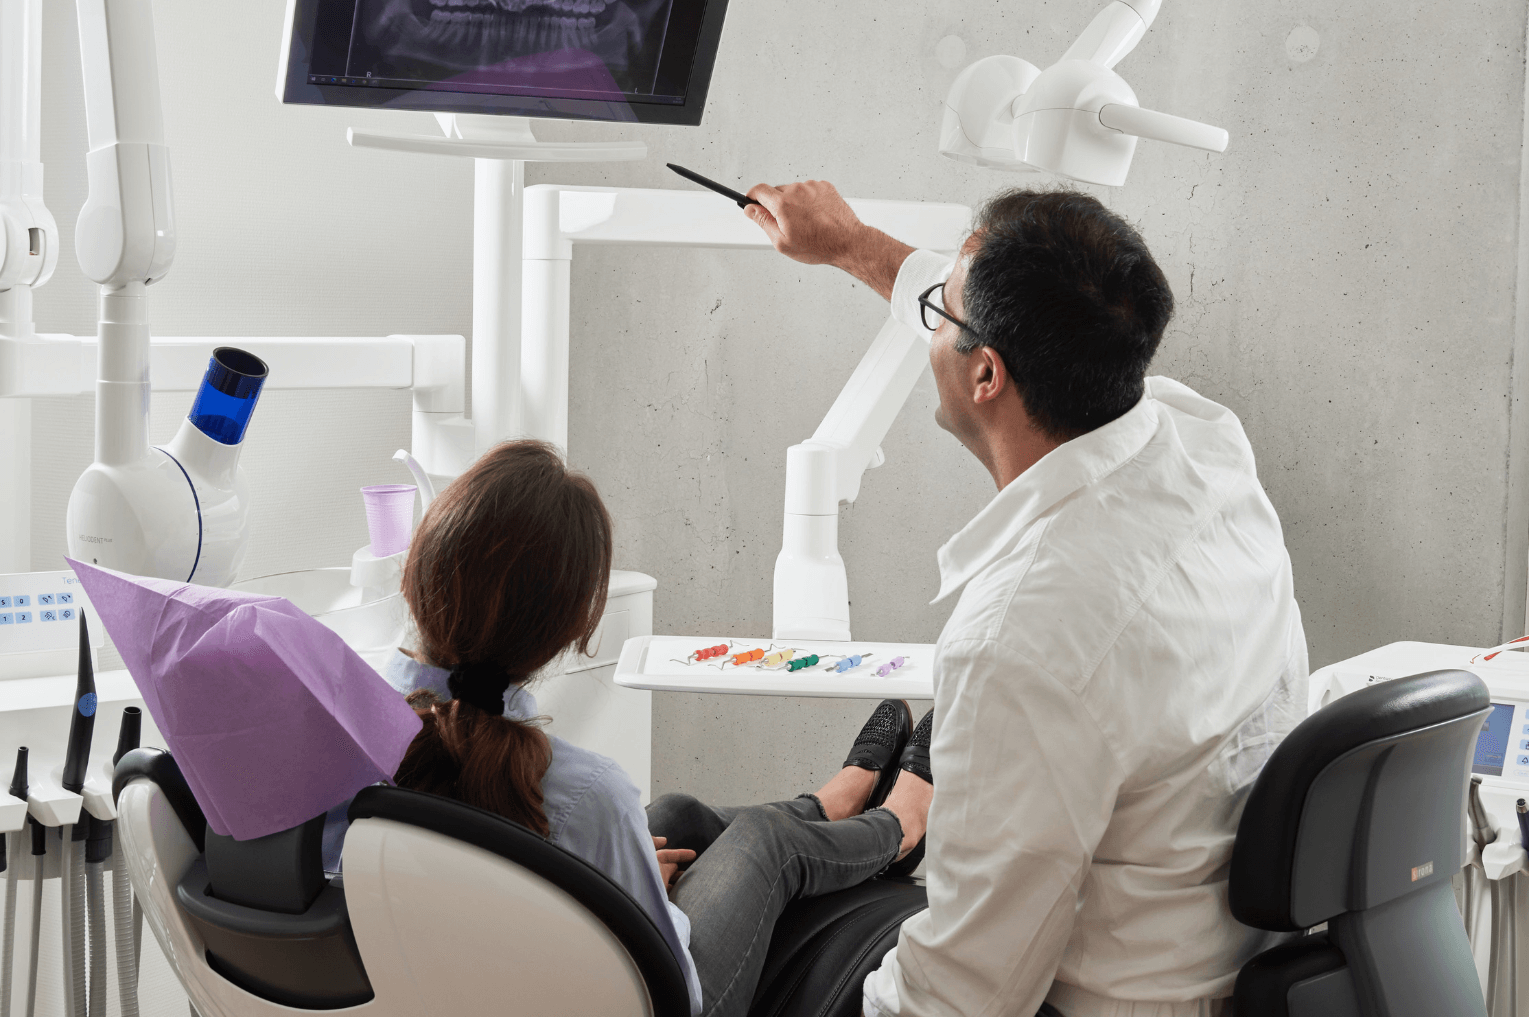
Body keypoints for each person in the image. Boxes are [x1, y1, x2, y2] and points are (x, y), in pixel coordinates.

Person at [743, 184, 1309, 1017]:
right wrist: (851, 243)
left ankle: (863, 829)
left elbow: (963, 996)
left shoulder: (1026, 635)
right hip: (1199, 941)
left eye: (943, 307)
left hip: (1074, 996)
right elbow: (996, 316)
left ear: (986, 373)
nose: (931, 313)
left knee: (759, 893)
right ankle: (883, 824)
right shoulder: (1201, 437)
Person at [375, 438, 936, 1017]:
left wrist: (623, 881)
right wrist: (646, 910)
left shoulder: (346, 733)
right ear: (572, 632)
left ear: (417, 567)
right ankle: (900, 826)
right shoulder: (589, 794)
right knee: (764, 840)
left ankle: (827, 807)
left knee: (675, 815)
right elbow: (674, 990)